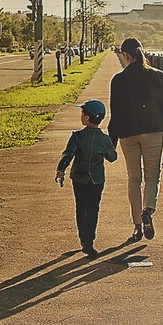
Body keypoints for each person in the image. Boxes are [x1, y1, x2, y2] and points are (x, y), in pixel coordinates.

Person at [108, 37, 163, 242]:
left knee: (134, 179)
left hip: (128, 134)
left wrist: (111, 143)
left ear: (126, 55)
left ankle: (136, 225)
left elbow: (115, 114)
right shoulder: (159, 76)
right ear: (142, 52)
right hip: (154, 131)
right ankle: (148, 210)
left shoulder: (118, 80)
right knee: (153, 175)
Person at [57, 99, 118, 257]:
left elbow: (68, 155)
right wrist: (108, 146)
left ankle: (83, 239)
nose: (81, 115)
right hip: (97, 180)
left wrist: (60, 170)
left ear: (87, 118)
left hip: (79, 178)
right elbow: (112, 157)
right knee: (93, 209)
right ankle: (90, 241)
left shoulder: (77, 136)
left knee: (80, 207)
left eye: (82, 113)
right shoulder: (104, 139)